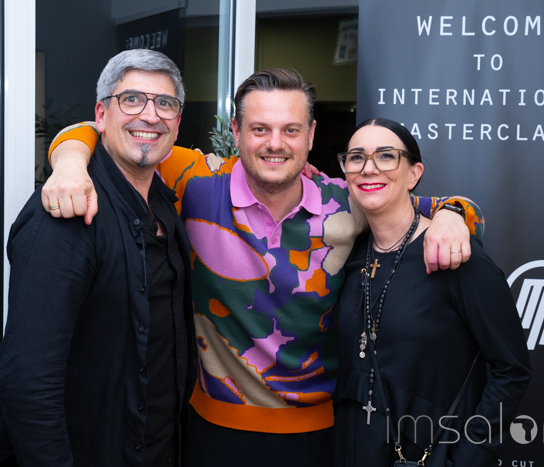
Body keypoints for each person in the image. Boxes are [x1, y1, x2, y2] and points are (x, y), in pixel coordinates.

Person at [43, 68, 485, 466]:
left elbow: (453, 208)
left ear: (310, 135)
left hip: (322, 435)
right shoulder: (196, 182)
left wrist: (453, 216)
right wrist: (68, 164)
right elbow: (102, 129)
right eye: (260, 129)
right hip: (211, 431)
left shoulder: (346, 201)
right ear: (236, 132)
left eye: (290, 129)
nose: (275, 143)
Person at [0, 49, 195, 466]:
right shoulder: (66, 215)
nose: (150, 116)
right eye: (131, 99)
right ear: (101, 115)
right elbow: (27, 383)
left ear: (177, 122)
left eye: (165, 103)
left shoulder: (166, 201)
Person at [332, 118, 531, 466]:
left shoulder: (454, 255)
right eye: (356, 157)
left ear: (414, 173)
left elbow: (511, 369)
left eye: (386, 156)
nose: (368, 168)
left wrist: (469, 455)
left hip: (430, 454)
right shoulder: (347, 253)